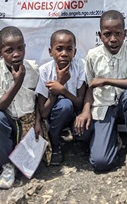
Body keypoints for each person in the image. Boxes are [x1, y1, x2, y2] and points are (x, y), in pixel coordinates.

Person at [73, 11, 127, 177]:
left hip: (125, 107)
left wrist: (106, 81)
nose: (113, 39)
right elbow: (90, 87)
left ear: (125, 34)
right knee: (101, 162)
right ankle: (114, 140)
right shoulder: (93, 55)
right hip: (103, 107)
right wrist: (85, 110)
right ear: (100, 35)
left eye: (118, 34)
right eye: (107, 34)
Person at [0, 26, 41, 189]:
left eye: (20, 48)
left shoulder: (33, 68)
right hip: (7, 123)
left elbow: (38, 98)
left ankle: (18, 158)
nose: (16, 54)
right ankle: (7, 164)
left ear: (24, 48)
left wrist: (38, 122)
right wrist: (17, 82)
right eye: (9, 50)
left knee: (35, 170)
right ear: (0, 53)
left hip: (28, 123)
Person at [36, 29, 86, 165]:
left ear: (74, 52)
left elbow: (80, 104)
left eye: (69, 49)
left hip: (75, 113)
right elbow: (44, 112)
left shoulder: (80, 66)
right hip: (55, 115)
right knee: (64, 105)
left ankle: (77, 138)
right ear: (50, 51)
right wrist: (57, 87)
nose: (64, 53)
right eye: (59, 49)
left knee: (86, 133)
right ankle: (55, 142)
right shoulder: (44, 71)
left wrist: (62, 89)